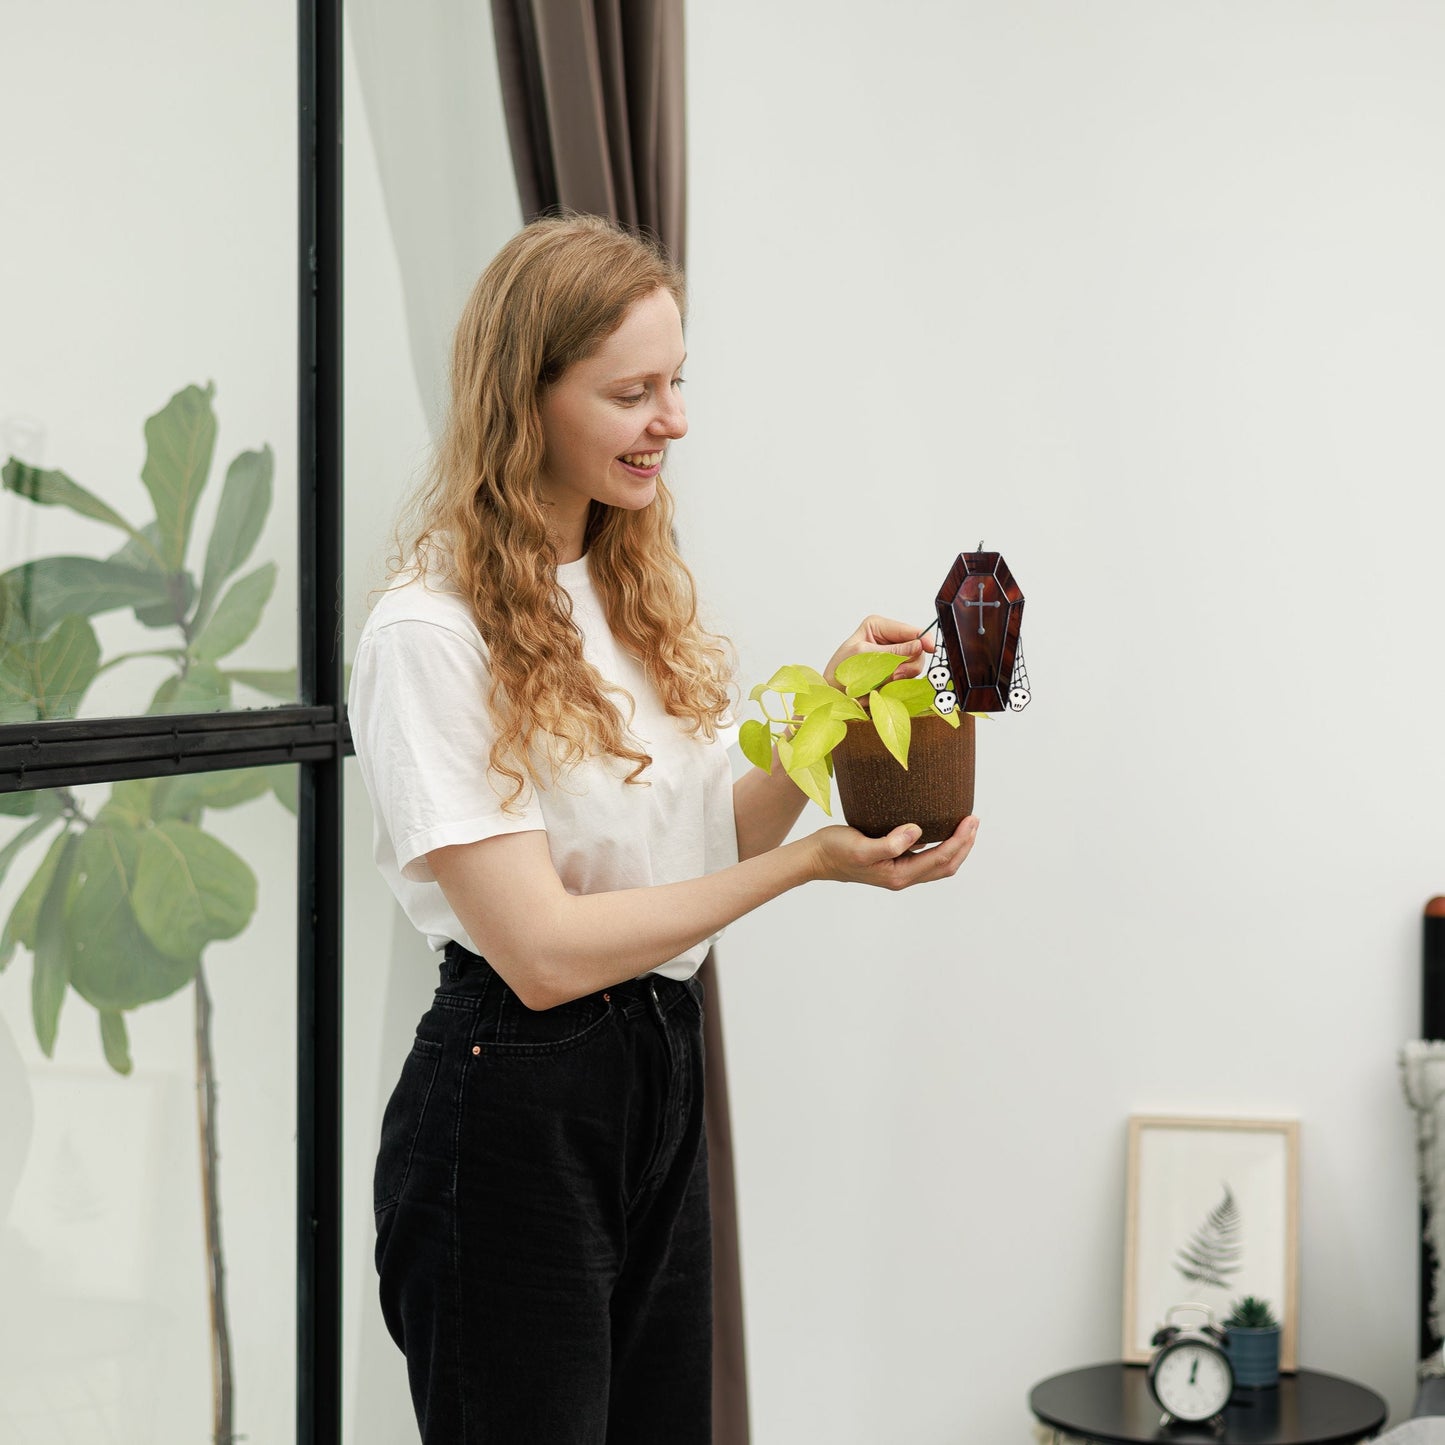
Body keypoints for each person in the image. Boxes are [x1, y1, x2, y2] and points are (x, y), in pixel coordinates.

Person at [348, 213, 980, 1444]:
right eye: (631, 392)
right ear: (522, 397)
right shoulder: (429, 633)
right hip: (514, 1098)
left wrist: (830, 714)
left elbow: (693, 847)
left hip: (655, 1061)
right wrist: (809, 866)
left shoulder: (623, 581)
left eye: (675, 381)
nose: (672, 421)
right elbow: (540, 951)